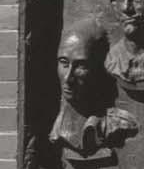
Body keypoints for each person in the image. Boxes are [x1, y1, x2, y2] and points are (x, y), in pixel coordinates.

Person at [50, 18, 138, 160]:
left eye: (81, 66)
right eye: (64, 63)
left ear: (100, 68)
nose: (68, 78)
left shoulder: (120, 124)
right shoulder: (54, 126)